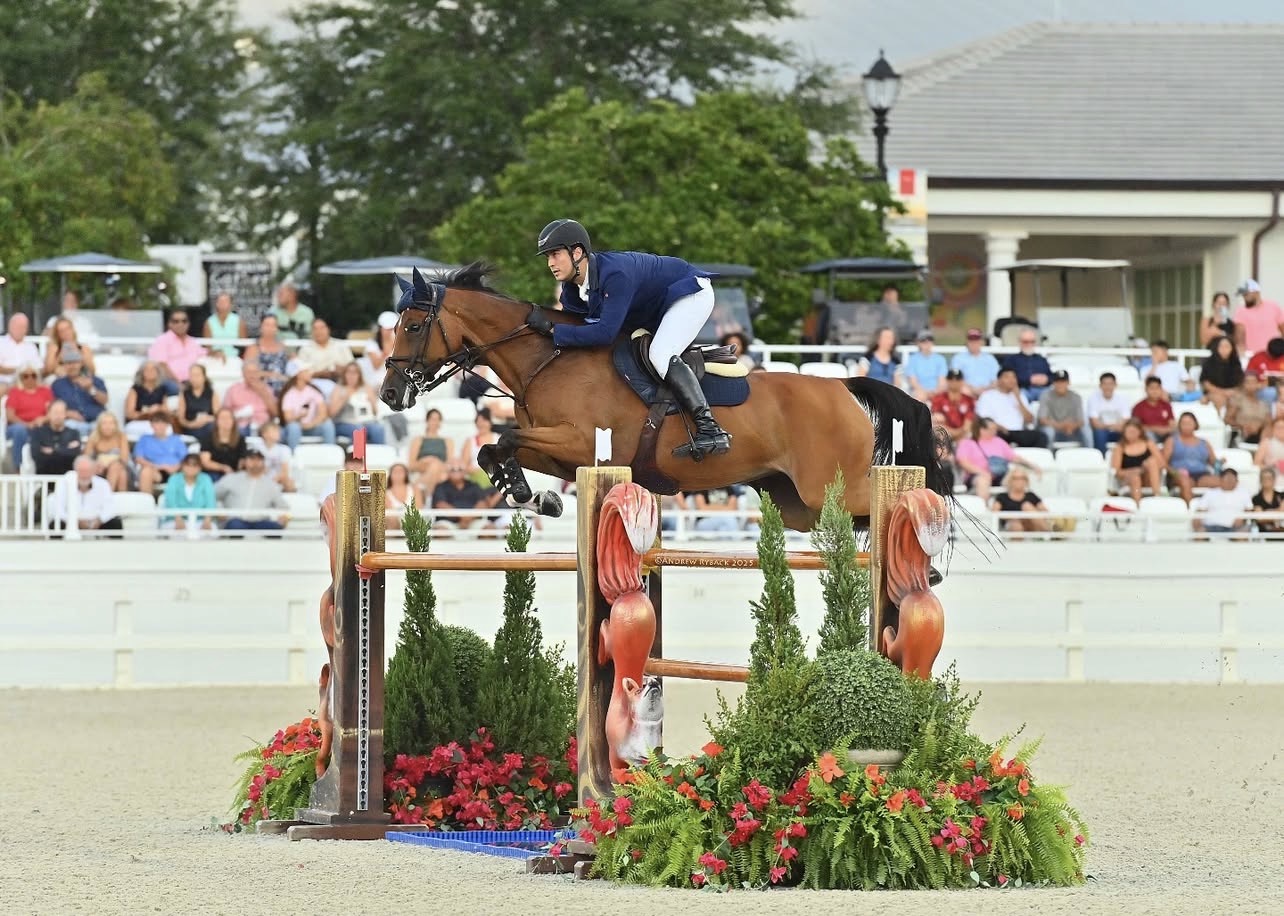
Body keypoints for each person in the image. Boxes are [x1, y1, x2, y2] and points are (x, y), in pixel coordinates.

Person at [529, 218, 730, 458]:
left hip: (688, 294)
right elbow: (577, 326)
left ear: (578, 252)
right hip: (652, 308)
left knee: (660, 354)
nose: (550, 264)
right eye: (547, 258)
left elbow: (604, 333)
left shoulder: (615, 274)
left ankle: (710, 428)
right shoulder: (571, 290)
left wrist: (553, 330)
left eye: (555, 254)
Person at [954, 417, 1041, 500]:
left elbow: (1014, 457)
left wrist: (1032, 465)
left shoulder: (999, 441)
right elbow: (963, 462)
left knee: (1017, 477)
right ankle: (985, 511)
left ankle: (1014, 507)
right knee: (983, 480)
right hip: (977, 475)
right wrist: (983, 472)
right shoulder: (967, 443)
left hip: (1000, 475)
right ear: (982, 429)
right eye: (992, 429)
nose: (995, 432)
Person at [215, 447, 290, 532]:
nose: (255, 463)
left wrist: (284, 517)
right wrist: (220, 511)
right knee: (235, 525)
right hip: (236, 521)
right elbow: (212, 495)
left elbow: (283, 507)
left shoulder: (270, 484)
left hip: (260, 521)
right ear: (244, 462)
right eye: (252, 459)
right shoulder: (231, 479)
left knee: (275, 528)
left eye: (259, 460)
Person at [48, 455, 122, 535]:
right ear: (75, 470)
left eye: (87, 471)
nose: (84, 475)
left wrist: (100, 520)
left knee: (116, 524)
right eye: (81, 471)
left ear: (93, 471)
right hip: (70, 522)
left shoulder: (103, 484)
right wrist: (74, 521)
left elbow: (109, 506)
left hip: (96, 521)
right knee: (55, 525)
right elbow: (58, 507)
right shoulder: (64, 483)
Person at [976, 367, 1045, 447]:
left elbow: (1029, 420)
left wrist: (1018, 399)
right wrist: (999, 427)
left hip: (1017, 432)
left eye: (1013, 377)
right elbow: (984, 420)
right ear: (999, 380)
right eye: (1007, 377)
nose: (1011, 380)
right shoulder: (987, 396)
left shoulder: (1021, 397)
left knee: (1041, 437)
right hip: (998, 431)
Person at [1162, 412, 1219, 504]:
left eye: (1189, 423)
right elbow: (1163, 462)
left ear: (1195, 424)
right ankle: (1190, 512)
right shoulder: (1172, 441)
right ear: (1179, 425)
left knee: (1220, 482)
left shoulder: (1204, 443)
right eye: (1184, 423)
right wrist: (1174, 472)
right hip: (1179, 474)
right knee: (1185, 482)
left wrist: (1220, 462)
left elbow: (1213, 461)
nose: (1186, 426)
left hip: (1201, 474)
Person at [4, 364, 54, 464]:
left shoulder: (45, 391)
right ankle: (18, 467)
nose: (30, 378)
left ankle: (45, 467)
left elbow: (52, 411)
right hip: (18, 426)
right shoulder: (15, 392)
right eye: (25, 376)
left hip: (40, 425)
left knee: (48, 430)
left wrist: (43, 419)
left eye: (33, 375)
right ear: (20, 377)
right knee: (20, 430)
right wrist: (27, 425)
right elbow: (10, 416)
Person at [328, 362, 387, 445]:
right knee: (358, 430)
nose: (352, 376)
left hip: (366, 421)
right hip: (344, 423)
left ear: (359, 375)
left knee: (378, 429)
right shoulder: (338, 388)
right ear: (344, 374)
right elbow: (331, 413)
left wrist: (371, 401)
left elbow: (375, 412)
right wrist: (344, 397)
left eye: (355, 372)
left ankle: (378, 456)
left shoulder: (366, 387)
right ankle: (359, 457)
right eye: (349, 372)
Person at [147, 308, 209, 386]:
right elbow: (161, 366)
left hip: (190, 382)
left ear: (188, 323)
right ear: (169, 324)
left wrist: (216, 352)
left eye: (184, 321)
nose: (180, 324)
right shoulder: (162, 340)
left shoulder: (192, 341)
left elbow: (204, 352)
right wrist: (178, 384)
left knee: (208, 390)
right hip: (168, 382)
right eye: (176, 321)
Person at [431, 462, 501, 530]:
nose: (456, 471)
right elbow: (441, 505)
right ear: (447, 472)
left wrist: (469, 518)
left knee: (489, 529)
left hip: (473, 521)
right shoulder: (441, 487)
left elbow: (482, 504)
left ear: (465, 471)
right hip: (449, 522)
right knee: (441, 530)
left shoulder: (474, 486)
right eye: (453, 469)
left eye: (460, 469)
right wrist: (463, 517)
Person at [1110, 418, 1165, 503]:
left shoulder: (1148, 443)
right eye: (1128, 432)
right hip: (1128, 479)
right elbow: (1116, 472)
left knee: (1152, 461)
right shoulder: (1119, 447)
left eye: (1133, 432)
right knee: (1135, 478)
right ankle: (1138, 505)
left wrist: (1145, 467)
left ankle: (1157, 497)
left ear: (1140, 432)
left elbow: (1161, 464)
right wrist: (1133, 471)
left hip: (1147, 478)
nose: (1131, 435)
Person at [295, 318, 355, 395]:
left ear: (328, 329)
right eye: (315, 329)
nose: (318, 331)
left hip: (342, 382)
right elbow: (301, 374)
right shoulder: (305, 350)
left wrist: (342, 370)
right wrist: (320, 374)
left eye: (322, 328)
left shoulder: (341, 346)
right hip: (315, 384)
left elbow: (353, 367)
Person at [279, 370, 336, 449]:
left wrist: (312, 424)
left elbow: (323, 414)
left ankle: (330, 454)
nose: (310, 373)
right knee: (293, 427)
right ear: (299, 375)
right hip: (296, 427)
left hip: (313, 427)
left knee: (328, 424)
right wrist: (299, 417)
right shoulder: (289, 394)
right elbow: (287, 418)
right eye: (306, 371)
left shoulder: (314, 391)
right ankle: (293, 456)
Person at [134, 412, 188, 493]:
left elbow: (185, 459)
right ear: (151, 425)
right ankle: (147, 502)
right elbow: (139, 458)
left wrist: (174, 468)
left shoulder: (176, 440)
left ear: (167, 425)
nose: (160, 426)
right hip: (155, 470)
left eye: (163, 423)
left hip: (176, 471)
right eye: (157, 423)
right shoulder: (145, 439)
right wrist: (157, 466)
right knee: (146, 472)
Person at [162, 453, 217, 532]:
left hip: (200, 520)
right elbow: (171, 501)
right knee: (177, 532)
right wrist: (177, 518)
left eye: (195, 465)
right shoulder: (174, 479)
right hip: (175, 519)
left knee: (210, 531)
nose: (191, 468)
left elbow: (210, 501)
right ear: (182, 466)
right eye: (188, 465)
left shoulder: (206, 479)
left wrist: (207, 519)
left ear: (200, 468)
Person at [50, 363, 108, 438]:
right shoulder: (58, 384)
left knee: (107, 425)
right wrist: (67, 413)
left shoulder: (95, 380)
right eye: (69, 363)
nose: (72, 366)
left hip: (96, 421)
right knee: (67, 426)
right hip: (73, 422)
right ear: (64, 366)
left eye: (75, 362)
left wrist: (90, 388)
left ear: (81, 364)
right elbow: (53, 406)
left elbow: (104, 401)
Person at [242, 314, 293, 398]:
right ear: (261, 327)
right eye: (267, 325)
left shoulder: (283, 347)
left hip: (284, 389)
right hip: (262, 390)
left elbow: (291, 366)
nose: (270, 328)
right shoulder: (254, 348)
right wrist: (272, 375)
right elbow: (250, 373)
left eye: (273, 325)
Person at [1191, 469, 1251, 537]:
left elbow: (1249, 510)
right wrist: (1197, 521)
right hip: (1211, 527)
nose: (1229, 481)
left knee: (1242, 534)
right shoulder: (1210, 493)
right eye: (1227, 478)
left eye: (1232, 479)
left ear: (1237, 481)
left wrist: (1243, 519)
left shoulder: (1244, 493)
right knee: (1199, 534)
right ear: (1221, 479)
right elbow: (1200, 510)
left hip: (1235, 528)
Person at [990, 467, 1049, 536]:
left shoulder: (1031, 495)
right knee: (1015, 525)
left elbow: (1045, 512)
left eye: (1022, 478)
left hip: (1031, 526)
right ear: (1010, 480)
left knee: (1027, 506)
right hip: (1011, 527)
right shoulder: (1002, 497)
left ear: (1026, 480)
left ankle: (1049, 533)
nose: (1019, 481)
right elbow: (994, 514)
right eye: (1015, 478)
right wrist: (1017, 517)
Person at [29, 400, 83, 475]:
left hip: (67, 480)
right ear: (49, 414)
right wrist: (65, 449)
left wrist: (53, 451)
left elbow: (74, 455)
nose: (58, 416)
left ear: (65, 414)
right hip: (45, 479)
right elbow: (37, 456)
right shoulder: (38, 433)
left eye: (61, 413)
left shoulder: (73, 433)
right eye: (55, 412)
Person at [408, 408, 454, 496]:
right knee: (437, 471)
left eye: (437, 420)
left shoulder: (448, 441)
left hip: (441, 469)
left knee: (436, 467)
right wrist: (427, 460)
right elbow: (411, 465)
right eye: (432, 419)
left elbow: (449, 464)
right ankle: (430, 499)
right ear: (427, 421)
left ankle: (424, 494)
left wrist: (435, 462)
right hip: (422, 468)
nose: (435, 422)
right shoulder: (418, 440)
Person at [1037, 369, 1088, 448]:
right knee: (1049, 432)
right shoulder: (1045, 396)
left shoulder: (1076, 397)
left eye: (1063, 381)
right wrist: (1061, 426)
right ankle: (1048, 458)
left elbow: (1081, 421)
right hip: (1054, 429)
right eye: (1058, 382)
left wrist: (1072, 426)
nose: (1060, 384)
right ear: (1053, 383)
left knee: (1086, 430)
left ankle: (1090, 456)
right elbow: (1042, 420)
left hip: (1071, 431)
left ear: (1068, 383)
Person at [1232, 280, 1284, 355]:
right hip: (1252, 355)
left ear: (1256, 292)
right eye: (1243, 295)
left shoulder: (1273, 307)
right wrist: (1242, 355)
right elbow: (1240, 337)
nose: (1244, 297)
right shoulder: (1241, 311)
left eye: (1246, 294)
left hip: (1274, 354)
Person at [84, 412, 133, 492]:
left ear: (115, 425)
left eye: (111, 423)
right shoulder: (94, 437)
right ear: (99, 425)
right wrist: (96, 464)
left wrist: (108, 463)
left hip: (122, 467)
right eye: (104, 423)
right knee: (121, 474)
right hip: (99, 469)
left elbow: (124, 460)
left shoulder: (121, 436)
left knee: (119, 470)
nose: (108, 426)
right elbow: (86, 459)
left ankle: (107, 497)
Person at [1087, 372, 1131, 454]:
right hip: (1102, 431)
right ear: (1100, 385)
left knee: (1128, 431)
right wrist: (1111, 426)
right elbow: (1095, 423)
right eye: (1105, 384)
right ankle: (1101, 459)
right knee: (1099, 433)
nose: (1108, 387)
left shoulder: (1123, 399)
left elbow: (1126, 420)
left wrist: (1115, 427)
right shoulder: (1093, 399)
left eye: (1110, 384)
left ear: (1115, 385)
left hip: (1118, 430)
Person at [123, 361, 170, 439]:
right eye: (147, 370)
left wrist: (159, 409)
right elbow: (129, 414)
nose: (150, 372)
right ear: (141, 373)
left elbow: (166, 410)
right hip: (137, 422)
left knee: (166, 429)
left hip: (157, 422)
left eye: (153, 369)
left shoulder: (162, 389)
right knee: (152, 430)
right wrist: (146, 412)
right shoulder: (135, 390)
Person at [199, 408, 247, 481]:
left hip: (234, 473)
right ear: (216, 421)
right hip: (213, 472)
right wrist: (223, 468)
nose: (226, 421)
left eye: (229, 418)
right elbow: (205, 462)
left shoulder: (240, 439)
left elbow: (242, 460)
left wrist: (236, 473)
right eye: (222, 418)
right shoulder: (207, 438)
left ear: (233, 421)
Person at [175, 362, 219, 444]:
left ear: (204, 377)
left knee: (211, 428)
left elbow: (218, 415)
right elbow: (181, 418)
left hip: (207, 425)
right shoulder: (184, 394)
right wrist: (191, 424)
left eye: (197, 375)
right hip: (190, 427)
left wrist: (207, 419)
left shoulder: (212, 393)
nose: (194, 379)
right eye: (192, 376)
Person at [1003, 330, 1052, 401]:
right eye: (1026, 342)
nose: (1029, 344)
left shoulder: (1041, 360)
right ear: (1020, 342)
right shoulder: (1012, 359)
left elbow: (1051, 376)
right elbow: (1006, 378)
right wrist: (1029, 380)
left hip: (1043, 390)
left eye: (1032, 342)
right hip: (1022, 390)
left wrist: (1046, 379)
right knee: (1020, 398)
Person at [950, 328, 1001, 396]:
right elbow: (956, 378)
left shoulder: (990, 359)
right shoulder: (958, 358)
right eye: (971, 340)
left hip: (987, 392)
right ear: (967, 342)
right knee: (962, 389)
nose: (974, 343)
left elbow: (996, 380)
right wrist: (973, 389)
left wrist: (985, 389)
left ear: (982, 342)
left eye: (976, 340)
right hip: (966, 392)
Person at [1225, 371, 1271, 446]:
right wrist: (1242, 426)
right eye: (1248, 382)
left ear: (1258, 384)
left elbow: (1268, 422)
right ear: (1243, 384)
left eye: (1253, 382)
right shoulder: (1237, 400)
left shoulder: (1263, 404)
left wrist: (1259, 428)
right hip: (1242, 434)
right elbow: (1227, 419)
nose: (1251, 385)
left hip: (1260, 435)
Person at [1199, 336, 1244, 409]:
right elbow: (1205, 382)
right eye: (1221, 346)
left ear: (1232, 348)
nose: (1224, 349)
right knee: (1219, 399)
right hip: (1214, 393)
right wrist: (1222, 392)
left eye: (1227, 346)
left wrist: (1231, 392)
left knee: (1238, 400)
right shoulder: (1209, 362)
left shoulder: (1236, 363)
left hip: (1232, 393)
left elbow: (1240, 383)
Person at [929, 369, 975, 441]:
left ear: (962, 381)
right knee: (938, 428)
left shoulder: (968, 400)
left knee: (969, 434)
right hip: (944, 434)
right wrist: (953, 433)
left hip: (962, 435)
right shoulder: (938, 398)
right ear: (947, 380)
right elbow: (937, 421)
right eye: (951, 379)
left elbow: (968, 423)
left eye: (957, 379)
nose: (954, 382)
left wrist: (958, 434)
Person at [0, 313, 41, 391]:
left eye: (23, 327)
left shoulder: (31, 347)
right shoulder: (1, 343)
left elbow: (39, 367)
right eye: (18, 326)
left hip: (29, 381)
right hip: (5, 381)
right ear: (10, 326)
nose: (20, 330)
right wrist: (19, 371)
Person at [904, 329, 947, 401]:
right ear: (918, 343)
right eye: (923, 340)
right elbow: (913, 381)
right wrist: (925, 392)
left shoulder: (940, 359)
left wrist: (935, 391)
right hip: (920, 392)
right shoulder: (913, 360)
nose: (927, 343)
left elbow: (942, 381)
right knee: (919, 397)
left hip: (937, 391)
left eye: (929, 340)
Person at [1131, 376, 1177, 443]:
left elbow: (1172, 423)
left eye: (1157, 388)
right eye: (1152, 388)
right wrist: (1156, 429)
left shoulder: (1166, 405)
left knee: (1178, 433)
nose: (1155, 391)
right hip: (1149, 434)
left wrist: (1166, 430)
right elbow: (1136, 427)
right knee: (1148, 435)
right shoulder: (1138, 407)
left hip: (1165, 433)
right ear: (1146, 389)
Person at [257, 419, 296, 492]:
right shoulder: (257, 448)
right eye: (274, 431)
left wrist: (273, 481)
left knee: (289, 482)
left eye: (278, 431)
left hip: (279, 479)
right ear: (264, 434)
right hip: (261, 478)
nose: (278, 433)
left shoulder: (284, 449)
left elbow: (285, 472)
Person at [202, 292, 244, 358]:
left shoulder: (239, 321)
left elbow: (243, 345)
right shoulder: (209, 322)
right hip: (215, 358)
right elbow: (207, 346)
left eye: (225, 301)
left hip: (234, 358)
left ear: (231, 304)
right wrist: (215, 354)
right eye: (220, 301)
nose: (222, 304)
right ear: (216, 304)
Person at [1250, 467, 1282, 534]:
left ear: (1274, 480)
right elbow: (1259, 519)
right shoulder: (1256, 498)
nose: (1266, 480)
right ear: (1260, 480)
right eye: (1263, 478)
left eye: (1269, 478)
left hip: (1281, 531)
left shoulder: (1281, 496)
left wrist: (1266, 513)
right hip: (1263, 533)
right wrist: (1277, 511)